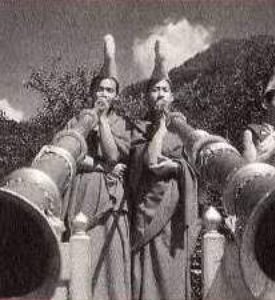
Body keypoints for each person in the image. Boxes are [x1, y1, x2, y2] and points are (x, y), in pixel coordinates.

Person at [129, 40, 200, 300]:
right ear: (147, 96)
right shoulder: (139, 128)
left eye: (165, 90)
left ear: (172, 96)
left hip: (175, 214)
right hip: (148, 214)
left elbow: (193, 167)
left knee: (172, 278)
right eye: (155, 90)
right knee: (147, 275)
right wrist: (159, 128)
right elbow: (149, 162)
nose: (160, 94)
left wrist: (176, 166)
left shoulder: (183, 129)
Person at [65, 35, 131, 300]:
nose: (104, 94)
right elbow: (69, 153)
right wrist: (100, 167)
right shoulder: (77, 120)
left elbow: (114, 155)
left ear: (115, 96)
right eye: (100, 89)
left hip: (112, 200)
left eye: (109, 90)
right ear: (92, 92)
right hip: (83, 195)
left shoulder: (120, 123)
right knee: (85, 254)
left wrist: (102, 120)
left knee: (112, 260)